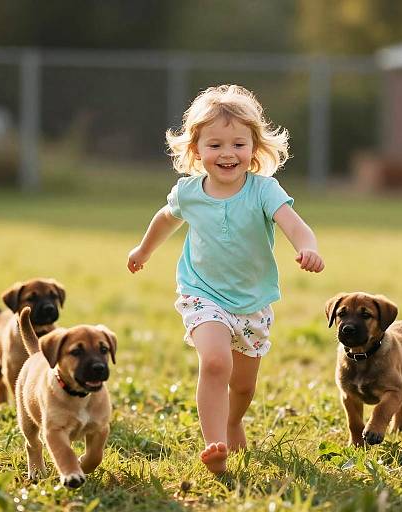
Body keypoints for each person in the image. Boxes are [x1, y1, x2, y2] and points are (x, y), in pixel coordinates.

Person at [127, 84, 324, 474]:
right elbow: (164, 219)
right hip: (202, 293)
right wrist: (144, 251)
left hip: (252, 302)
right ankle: (214, 445)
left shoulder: (264, 190)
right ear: (196, 150)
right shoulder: (188, 192)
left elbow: (294, 225)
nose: (228, 154)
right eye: (215, 145)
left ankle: (233, 422)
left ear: (255, 147)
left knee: (245, 385)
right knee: (216, 363)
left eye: (238, 144)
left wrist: (308, 248)